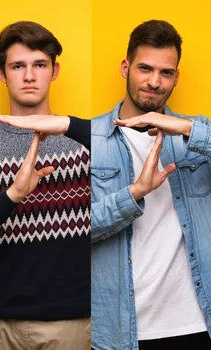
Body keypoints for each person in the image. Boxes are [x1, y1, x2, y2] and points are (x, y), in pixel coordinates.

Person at [0, 21, 91, 350]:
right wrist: (12, 196)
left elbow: (124, 150)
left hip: (69, 322)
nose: (28, 76)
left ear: (54, 71)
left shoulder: (84, 144)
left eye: (39, 65)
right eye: (17, 66)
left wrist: (67, 126)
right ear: (1, 73)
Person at [91, 20, 211, 350]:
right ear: (125, 67)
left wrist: (181, 127)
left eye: (166, 73)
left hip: (196, 322)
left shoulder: (196, 134)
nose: (154, 82)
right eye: (145, 69)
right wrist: (134, 193)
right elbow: (75, 229)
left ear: (177, 77)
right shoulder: (92, 139)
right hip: (121, 329)